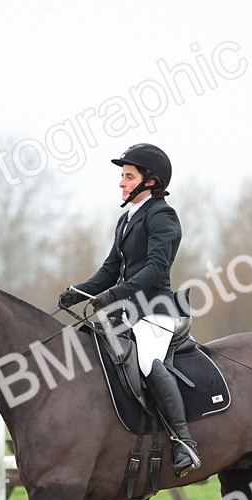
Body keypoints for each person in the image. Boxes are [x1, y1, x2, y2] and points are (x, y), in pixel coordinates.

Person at [57, 143, 200, 476]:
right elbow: (109, 270)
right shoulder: (126, 220)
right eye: (122, 176)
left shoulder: (162, 215)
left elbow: (155, 269)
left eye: (128, 176)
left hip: (157, 311)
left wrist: (115, 294)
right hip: (126, 313)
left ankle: (185, 442)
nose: (121, 183)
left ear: (150, 181)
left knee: (149, 363)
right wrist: (77, 293)